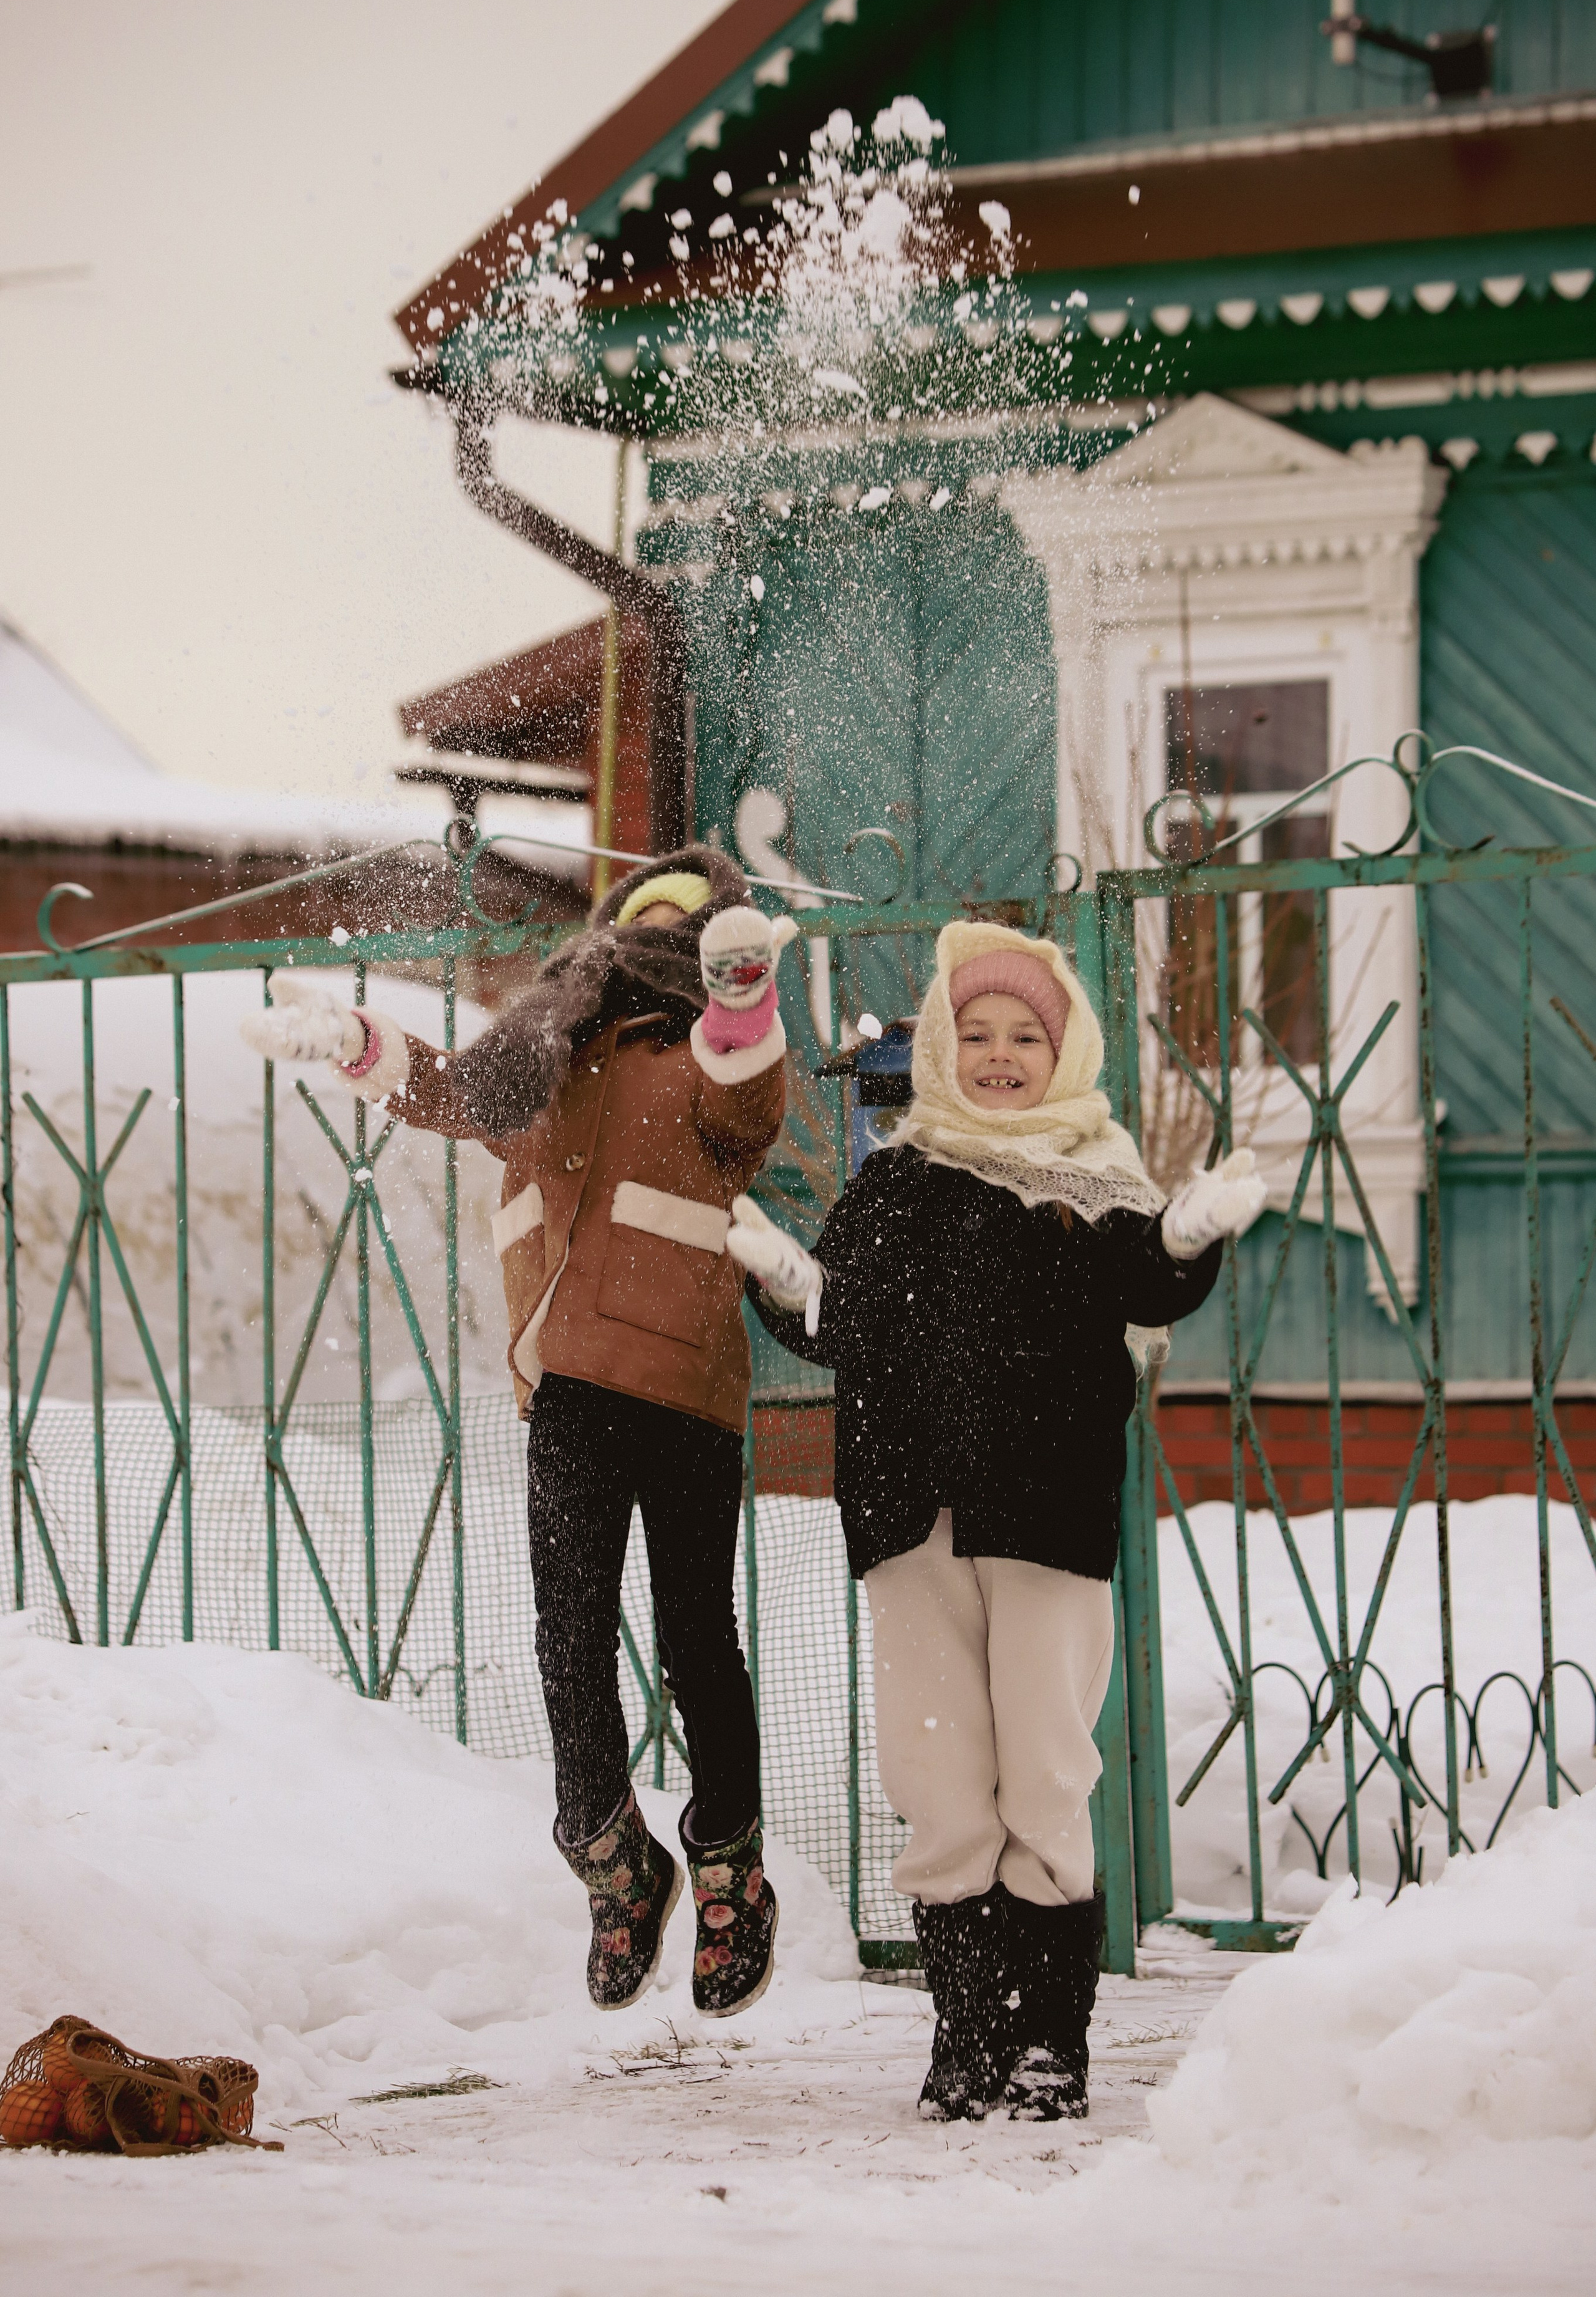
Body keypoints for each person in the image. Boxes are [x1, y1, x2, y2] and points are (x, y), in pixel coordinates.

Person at [241, 847, 794, 2020]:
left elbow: (749, 1101)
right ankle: (613, 1861)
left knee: (698, 1636)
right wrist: (354, 1045)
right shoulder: (547, 1052)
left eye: (686, 934)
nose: (648, 949)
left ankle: (729, 1866)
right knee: (567, 1639)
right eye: (639, 927)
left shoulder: (701, 1057)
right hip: (570, 1386)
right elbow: (453, 1095)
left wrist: (745, 1000)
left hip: (688, 1386)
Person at [727, 920, 1266, 2120]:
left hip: (1046, 1524)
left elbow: (1148, 1277)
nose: (1001, 1054)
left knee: (1044, 1772)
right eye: (976, 1035)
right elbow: (842, 1325)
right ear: (942, 1053)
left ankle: (1047, 2051)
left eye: (1027, 1035)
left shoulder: (1093, 1181)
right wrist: (785, 1279)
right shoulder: (897, 1182)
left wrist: (1185, 1235)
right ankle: (967, 2041)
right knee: (940, 1779)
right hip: (911, 1523)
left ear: (1065, 1051)